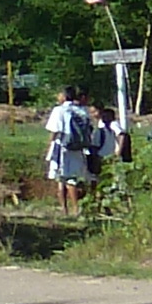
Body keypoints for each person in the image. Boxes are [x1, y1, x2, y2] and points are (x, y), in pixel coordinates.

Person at [44, 82, 101, 213]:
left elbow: (54, 131)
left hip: (62, 147)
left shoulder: (59, 110)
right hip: (78, 148)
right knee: (73, 177)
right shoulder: (82, 110)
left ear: (64, 96)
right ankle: (74, 208)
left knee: (64, 179)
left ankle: (69, 209)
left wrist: (49, 146)